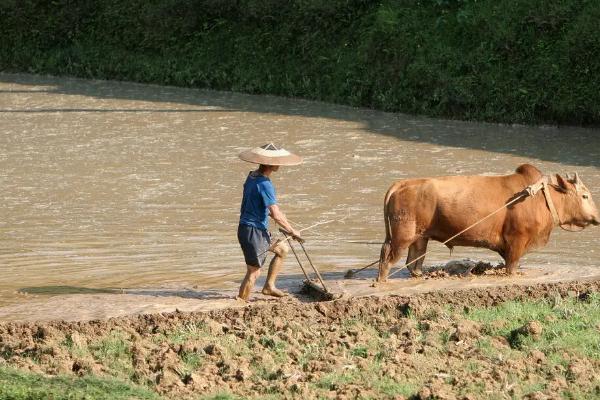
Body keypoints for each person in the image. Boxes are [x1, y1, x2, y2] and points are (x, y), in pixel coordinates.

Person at [237, 143, 303, 301]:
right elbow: (275, 214)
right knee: (254, 272)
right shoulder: (265, 184)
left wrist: (279, 217)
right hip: (253, 231)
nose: (279, 164)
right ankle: (240, 304)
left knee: (282, 249)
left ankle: (269, 286)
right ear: (271, 164)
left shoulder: (252, 176)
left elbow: (268, 209)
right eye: (277, 161)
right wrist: (292, 230)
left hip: (252, 228)